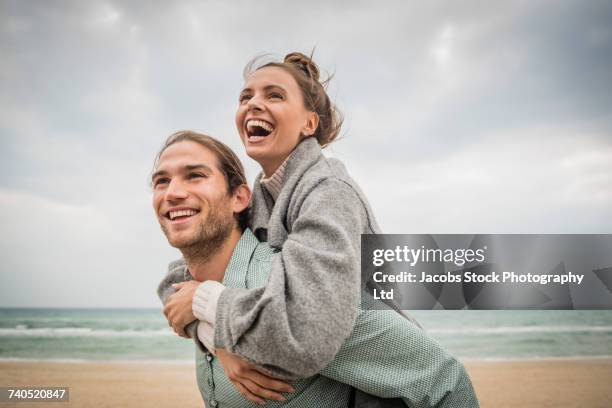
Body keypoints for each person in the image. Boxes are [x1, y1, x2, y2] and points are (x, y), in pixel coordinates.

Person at [154, 130, 478, 407]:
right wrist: (213, 333)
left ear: (239, 198)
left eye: (195, 175)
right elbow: (172, 288)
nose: (173, 192)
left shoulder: (294, 288)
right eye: (161, 181)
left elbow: (441, 377)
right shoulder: (188, 292)